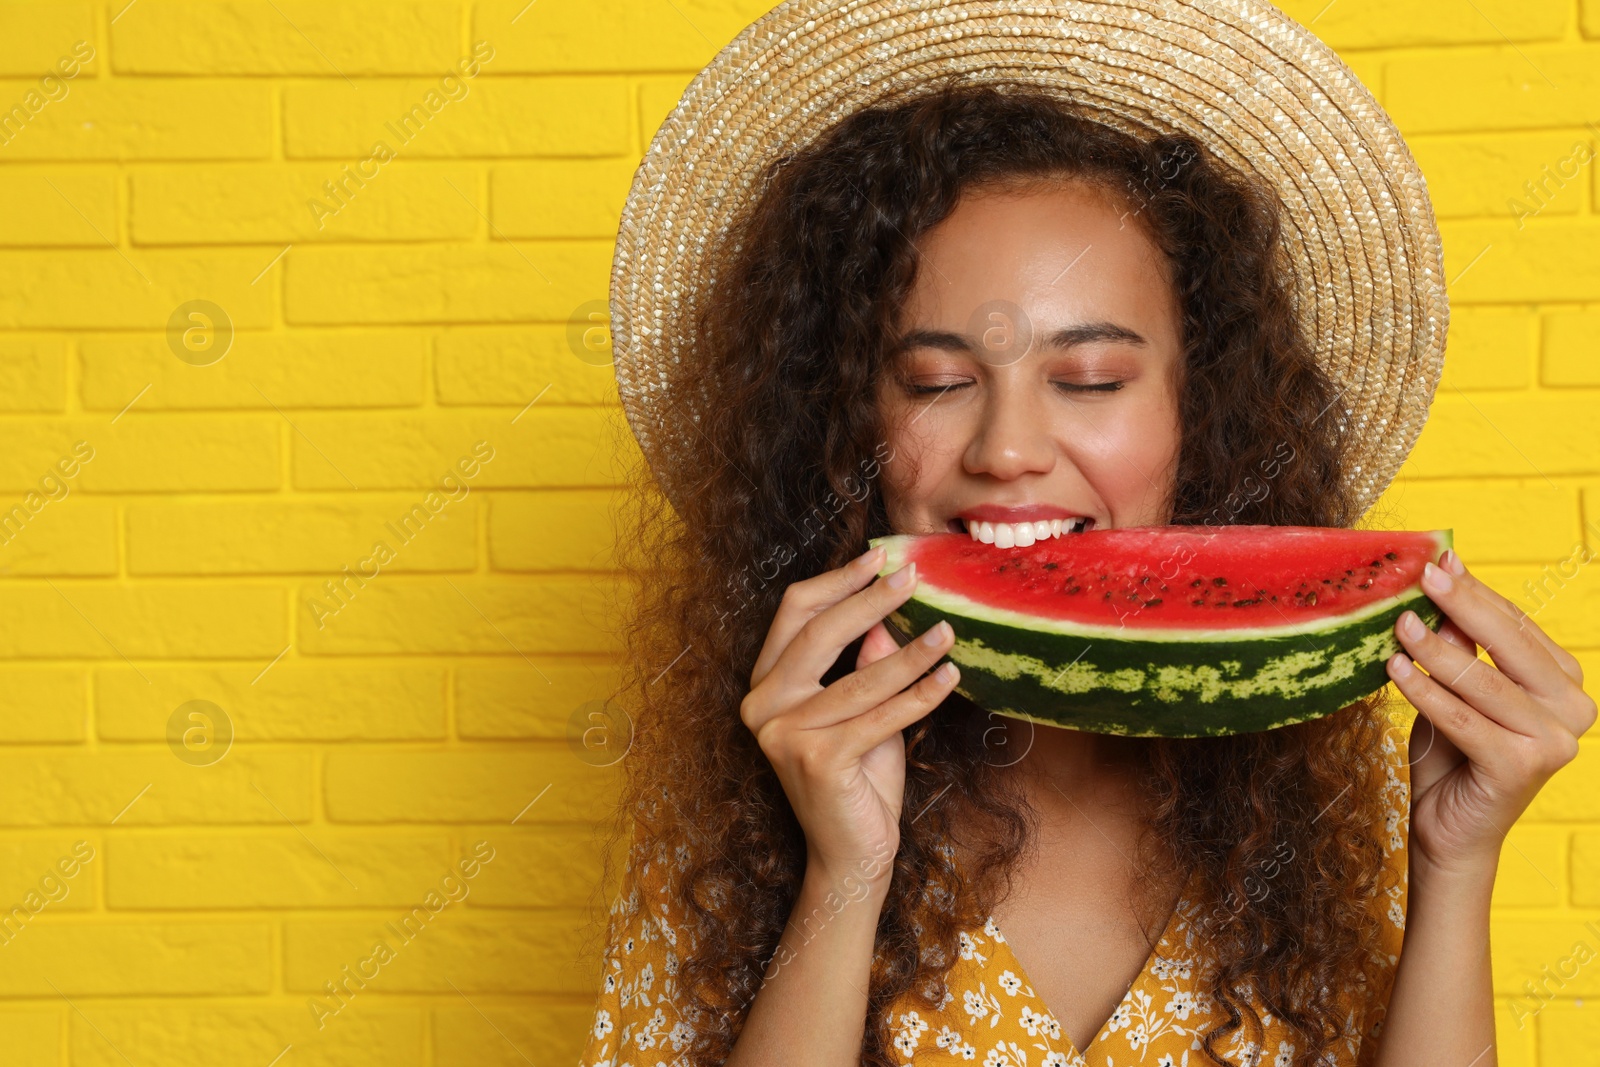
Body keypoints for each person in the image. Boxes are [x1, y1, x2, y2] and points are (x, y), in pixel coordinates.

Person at [577, 5, 1596, 1067]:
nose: (1008, 449)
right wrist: (843, 871)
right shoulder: (743, 821)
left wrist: (1453, 860)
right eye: (936, 382)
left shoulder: (1328, 800)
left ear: (1200, 411)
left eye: (1091, 378)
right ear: (846, 421)